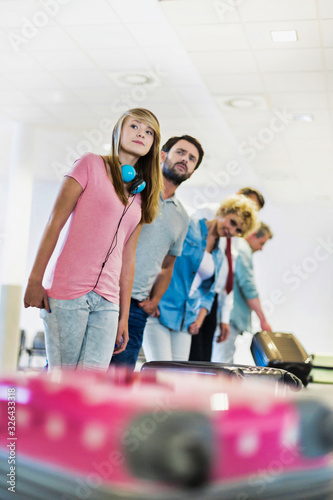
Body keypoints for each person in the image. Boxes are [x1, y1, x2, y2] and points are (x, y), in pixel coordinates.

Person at [23, 108, 162, 371]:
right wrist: (34, 280)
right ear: (118, 130)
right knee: (63, 380)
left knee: (91, 386)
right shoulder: (89, 164)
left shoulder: (142, 196)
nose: (141, 134)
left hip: (108, 300)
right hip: (68, 290)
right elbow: (55, 222)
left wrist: (123, 315)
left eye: (149, 132)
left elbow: (128, 256)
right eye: (134, 126)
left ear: (153, 145)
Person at [110, 135, 204, 370]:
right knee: (75, 372)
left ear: (192, 172)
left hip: (136, 308)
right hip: (104, 293)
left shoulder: (182, 217)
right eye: (180, 152)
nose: (185, 160)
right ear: (163, 155)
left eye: (192, 159)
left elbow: (167, 265)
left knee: (118, 382)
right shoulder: (133, 190)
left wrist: (155, 301)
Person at [142, 195, 259, 362]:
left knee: (177, 379)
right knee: (161, 373)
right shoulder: (188, 227)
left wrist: (200, 317)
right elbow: (157, 257)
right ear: (223, 211)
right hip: (160, 310)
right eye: (232, 223)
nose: (232, 231)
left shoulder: (219, 255)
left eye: (238, 231)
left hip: (185, 320)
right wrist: (149, 294)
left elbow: (209, 290)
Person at [189, 187, 265, 362]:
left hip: (210, 301)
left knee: (203, 360)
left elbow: (224, 276)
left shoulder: (235, 236)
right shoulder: (206, 213)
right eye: (248, 203)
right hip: (192, 298)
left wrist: (224, 317)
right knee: (187, 359)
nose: (248, 211)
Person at [211, 222, 273, 364]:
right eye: (261, 243)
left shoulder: (235, 247)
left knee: (222, 359)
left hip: (226, 315)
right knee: (223, 363)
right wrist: (263, 320)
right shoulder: (243, 249)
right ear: (252, 235)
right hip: (229, 317)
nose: (261, 248)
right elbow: (248, 285)